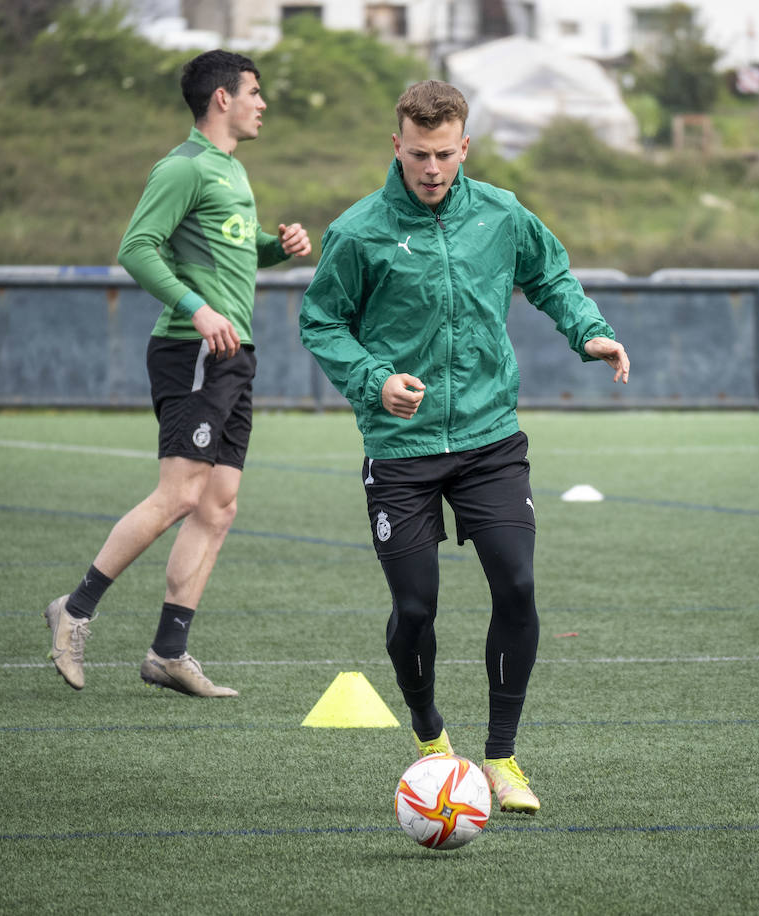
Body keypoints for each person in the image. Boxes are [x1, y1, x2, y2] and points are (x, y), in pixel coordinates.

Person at [298, 80, 629, 813]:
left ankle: (504, 758)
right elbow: (321, 322)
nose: (432, 169)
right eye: (419, 154)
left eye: (445, 154)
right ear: (397, 146)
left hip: (488, 440)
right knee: (416, 609)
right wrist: (374, 380)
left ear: (464, 147)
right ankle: (428, 736)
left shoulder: (500, 213)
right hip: (402, 448)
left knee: (516, 584)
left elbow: (551, 274)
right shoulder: (358, 232)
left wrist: (588, 331)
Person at [44, 49, 312, 697]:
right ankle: (74, 610)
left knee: (218, 507)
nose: (262, 103)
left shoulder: (230, 172)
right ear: (222, 98)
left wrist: (278, 249)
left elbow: (229, 253)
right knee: (180, 496)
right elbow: (136, 248)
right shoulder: (183, 167)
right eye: (254, 91)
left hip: (233, 355)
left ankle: (169, 652)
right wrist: (194, 309)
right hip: (191, 351)